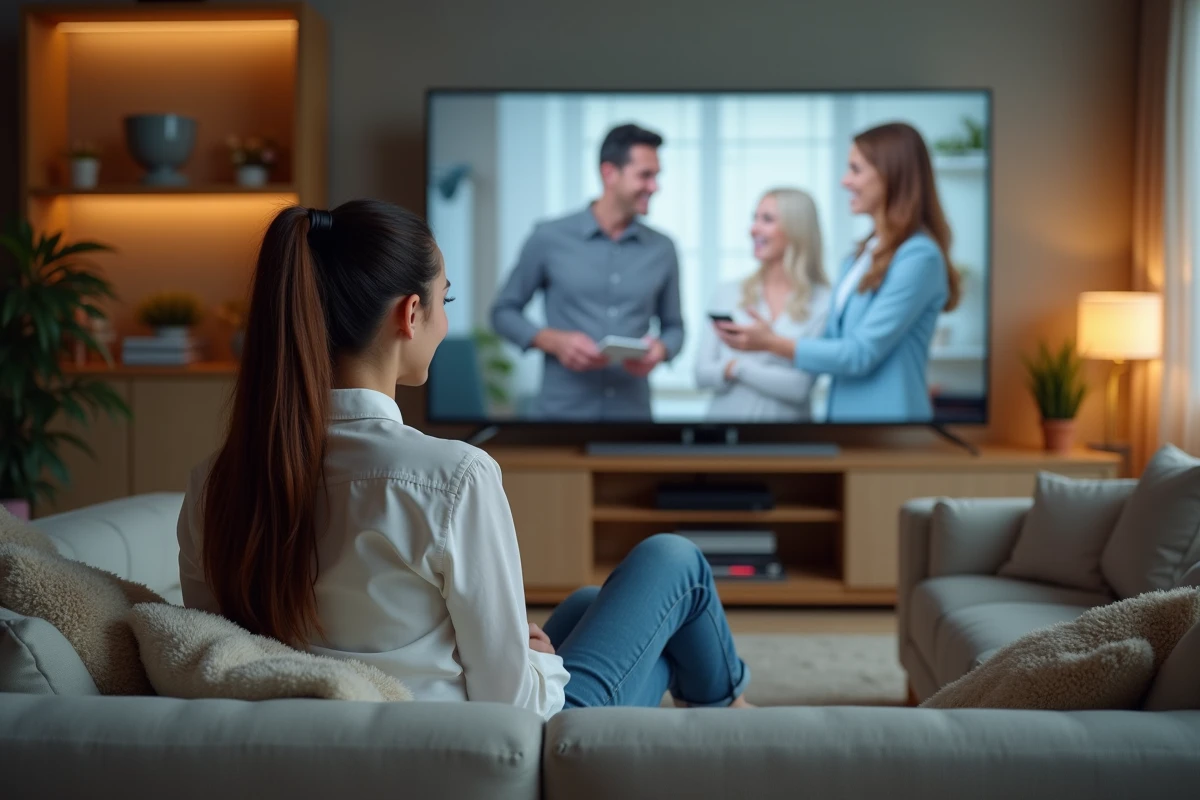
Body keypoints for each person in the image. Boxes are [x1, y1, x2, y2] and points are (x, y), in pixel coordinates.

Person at [177, 200, 751, 720]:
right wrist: (541, 663)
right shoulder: (453, 477)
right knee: (674, 561)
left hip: (320, 736)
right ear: (410, 314)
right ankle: (739, 722)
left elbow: (220, 654)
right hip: (479, 748)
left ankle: (720, 713)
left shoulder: (217, 481)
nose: (446, 321)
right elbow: (514, 706)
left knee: (589, 605)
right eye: (445, 300)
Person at [716, 122, 960, 423]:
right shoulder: (857, 259)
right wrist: (769, 340)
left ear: (891, 174)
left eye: (855, 170)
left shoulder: (919, 257)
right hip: (845, 423)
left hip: (890, 428)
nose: (845, 181)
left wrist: (771, 342)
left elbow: (860, 354)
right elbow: (831, 346)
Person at [490, 123, 684, 421]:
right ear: (609, 173)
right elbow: (503, 312)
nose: (654, 187)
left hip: (632, 418)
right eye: (645, 175)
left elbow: (675, 327)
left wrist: (661, 348)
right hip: (560, 418)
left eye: (656, 176)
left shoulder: (663, 248)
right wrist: (552, 340)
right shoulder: (548, 237)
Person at [695, 188, 831, 421]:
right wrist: (775, 365)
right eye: (754, 218)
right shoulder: (728, 293)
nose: (753, 229)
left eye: (767, 219)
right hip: (724, 433)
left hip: (787, 437)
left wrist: (737, 367)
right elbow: (702, 374)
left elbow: (798, 387)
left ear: (797, 229)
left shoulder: (824, 302)